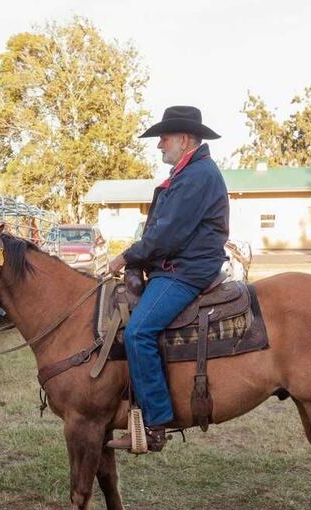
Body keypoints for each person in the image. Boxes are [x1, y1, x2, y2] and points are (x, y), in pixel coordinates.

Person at [106, 106, 230, 451]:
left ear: (185, 139)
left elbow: (168, 235)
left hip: (186, 270)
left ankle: (155, 424)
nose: (159, 144)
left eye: (164, 137)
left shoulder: (197, 175)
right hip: (179, 264)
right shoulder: (188, 173)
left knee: (139, 331)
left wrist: (127, 256)